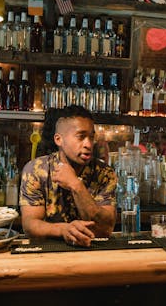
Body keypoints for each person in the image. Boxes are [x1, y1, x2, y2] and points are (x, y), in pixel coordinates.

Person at [19, 105, 117, 247]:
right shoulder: (36, 170)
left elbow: (105, 229)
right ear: (59, 139)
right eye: (81, 137)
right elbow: (29, 225)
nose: (88, 144)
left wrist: (76, 185)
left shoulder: (104, 173)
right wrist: (63, 229)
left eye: (91, 137)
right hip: (46, 253)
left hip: (93, 252)